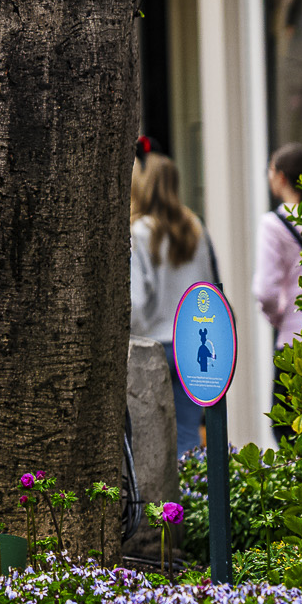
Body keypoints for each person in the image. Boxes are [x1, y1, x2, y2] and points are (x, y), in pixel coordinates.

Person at [129, 145, 220, 459]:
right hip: (194, 343)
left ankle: (162, 508)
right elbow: (207, 288)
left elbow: (137, 302)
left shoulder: (138, 232)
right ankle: (193, 503)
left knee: (149, 441)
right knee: (188, 436)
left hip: (153, 344)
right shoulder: (195, 227)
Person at [253, 143, 302, 409]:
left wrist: (279, 316)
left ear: (280, 176)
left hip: (294, 339)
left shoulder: (273, 224)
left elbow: (266, 291)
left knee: (287, 427)